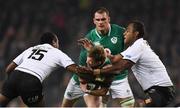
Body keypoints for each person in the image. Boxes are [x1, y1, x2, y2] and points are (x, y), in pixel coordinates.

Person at [62, 7, 134, 107]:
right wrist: (84, 83)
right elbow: (83, 66)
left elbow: (134, 44)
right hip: (96, 77)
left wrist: (140, 44)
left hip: (118, 77)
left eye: (103, 19)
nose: (100, 22)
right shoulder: (89, 39)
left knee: (130, 106)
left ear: (108, 19)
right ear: (94, 21)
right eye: (98, 20)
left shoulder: (120, 31)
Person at [92, 20, 175, 107]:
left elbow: (120, 67)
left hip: (161, 91)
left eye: (127, 31)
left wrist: (98, 72)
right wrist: (103, 52)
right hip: (156, 92)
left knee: (139, 104)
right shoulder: (134, 47)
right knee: (138, 104)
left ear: (136, 33)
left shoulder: (138, 46)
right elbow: (115, 59)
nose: (124, 33)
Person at [0, 32, 91, 107]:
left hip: (15, 76)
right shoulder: (57, 52)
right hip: (31, 80)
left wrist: (13, 83)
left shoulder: (30, 49)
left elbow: (8, 69)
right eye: (58, 42)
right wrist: (90, 71)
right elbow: (74, 69)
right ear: (54, 42)